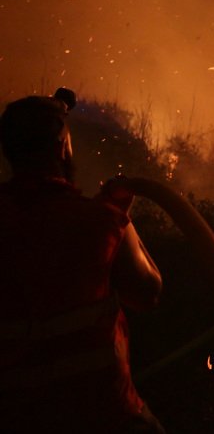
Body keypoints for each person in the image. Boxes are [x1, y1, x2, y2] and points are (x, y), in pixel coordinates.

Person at [0, 89, 165, 433]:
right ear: (62, 146)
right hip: (104, 418)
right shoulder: (99, 221)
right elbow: (148, 293)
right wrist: (120, 216)